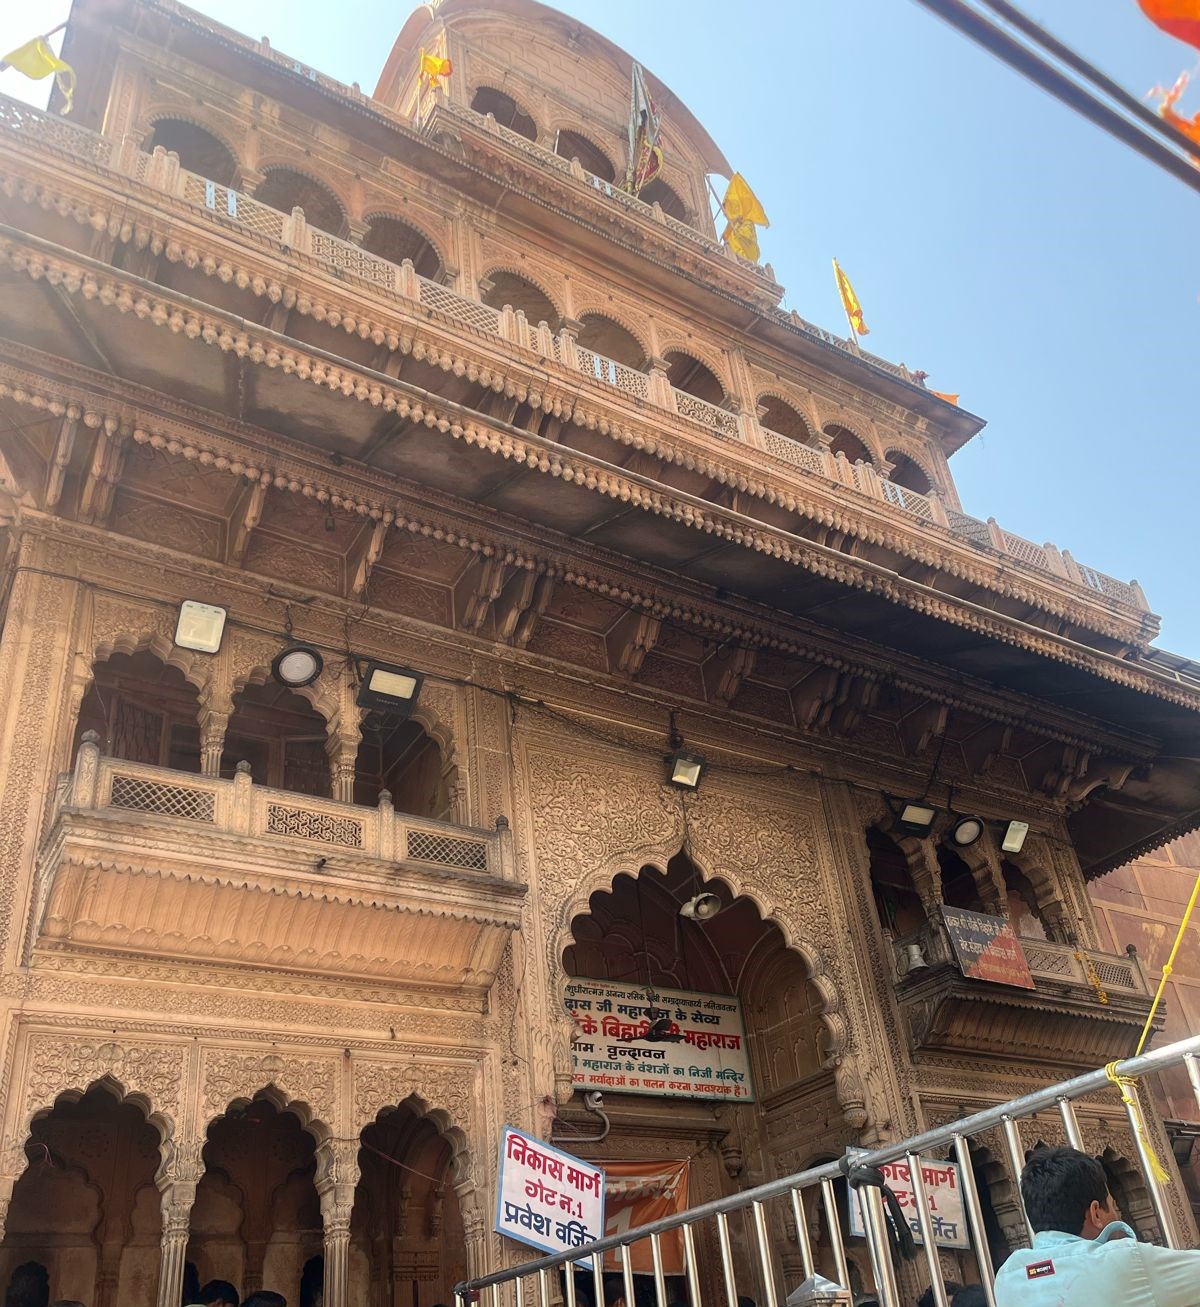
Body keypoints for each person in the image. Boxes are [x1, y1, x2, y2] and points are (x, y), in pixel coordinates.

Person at [994, 1146, 1200, 1306]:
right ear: (1095, 1212)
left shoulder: (1007, 1278)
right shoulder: (1125, 1260)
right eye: (1111, 1206)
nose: (1114, 1213)